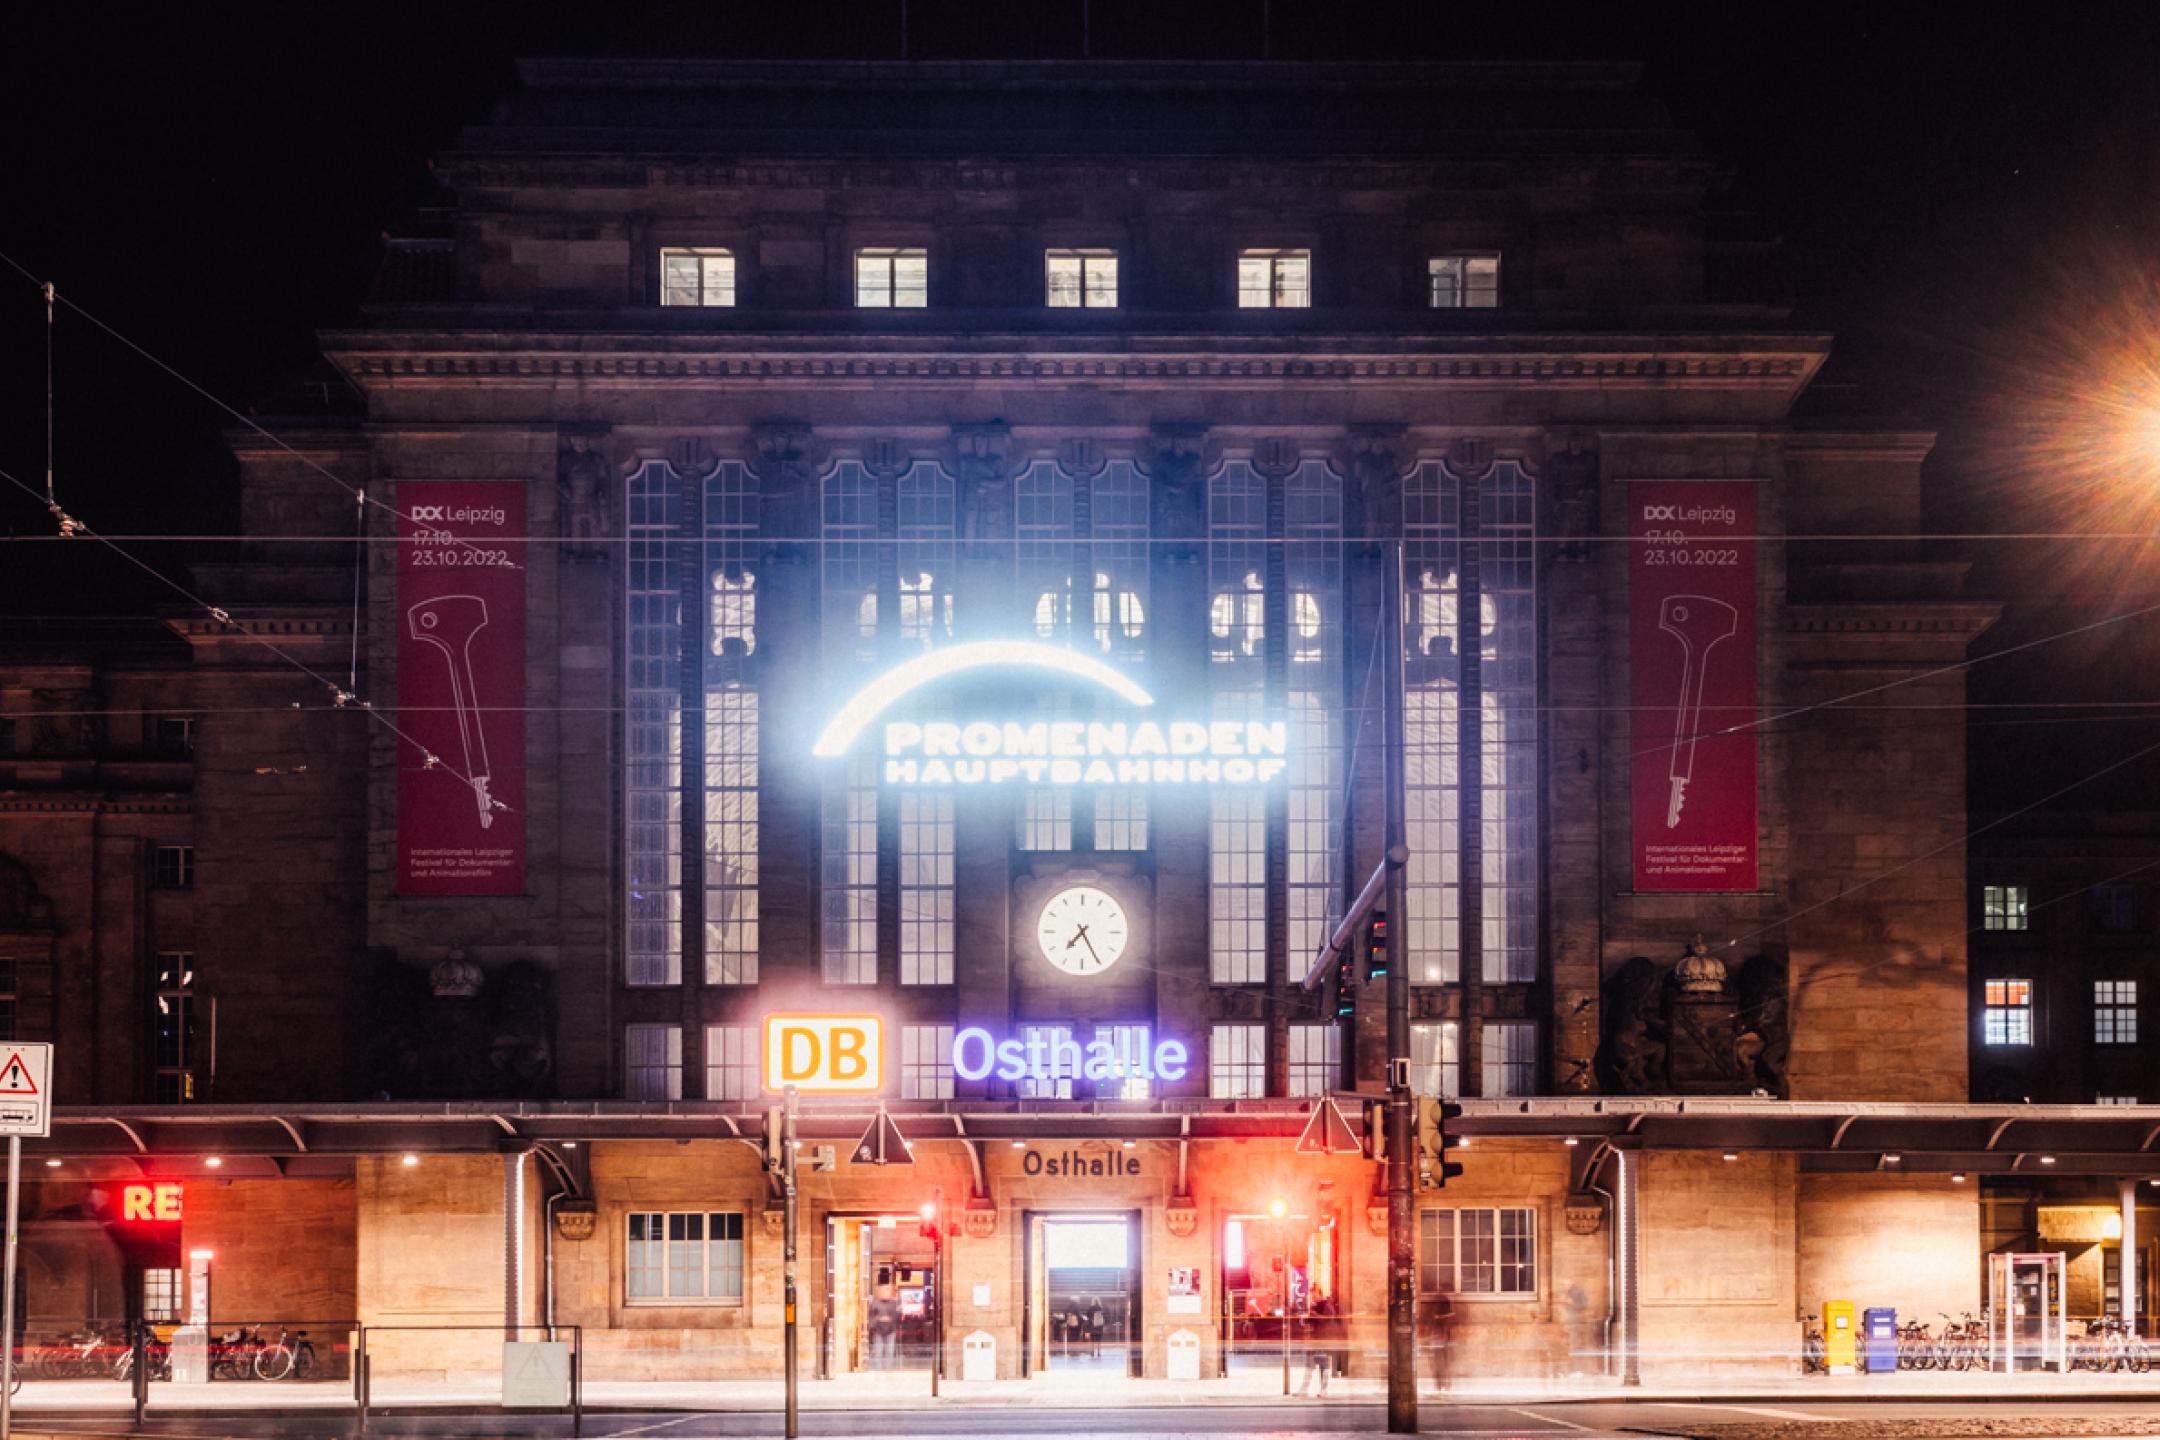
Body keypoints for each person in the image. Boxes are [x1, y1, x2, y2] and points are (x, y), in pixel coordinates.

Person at [1300, 1296, 1342, 1398]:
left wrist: (1315, 1315)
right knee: (1310, 1364)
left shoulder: (1327, 1307)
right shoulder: (1318, 1305)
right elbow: (1311, 1321)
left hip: (1322, 1340)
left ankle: (1323, 1389)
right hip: (1316, 1340)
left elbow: (1326, 1321)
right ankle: (1305, 1389)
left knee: (1323, 1365)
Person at [868, 1284, 900, 1369]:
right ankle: (878, 1369)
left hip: (890, 1330)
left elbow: (897, 1316)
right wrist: (878, 1319)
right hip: (878, 1331)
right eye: (882, 1291)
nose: (884, 1292)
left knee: (889, 1351)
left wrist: (890, 1319)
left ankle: (887, 1368)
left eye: (887, 1290)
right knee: (878, 1351)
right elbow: (870, 1317)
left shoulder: (894, 1303)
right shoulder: (875, 1303)